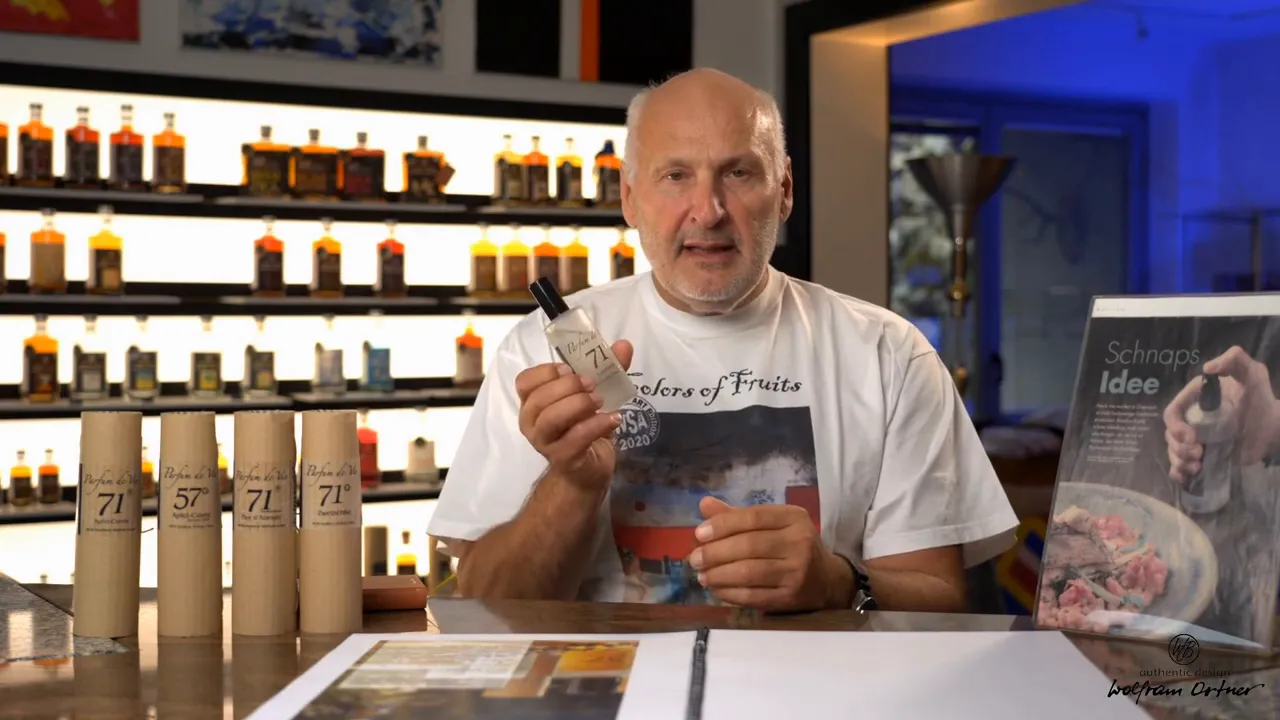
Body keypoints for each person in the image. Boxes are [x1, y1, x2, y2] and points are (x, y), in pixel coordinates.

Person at [427, 68, 1017, 612]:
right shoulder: (542, 350)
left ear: (784, 191)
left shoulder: (889, 354)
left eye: (738, 173)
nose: (707, 211)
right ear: (629, 198)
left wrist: (837, 581)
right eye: (675, 175)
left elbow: (941, 601)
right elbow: (487, 608)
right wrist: (571, 483)